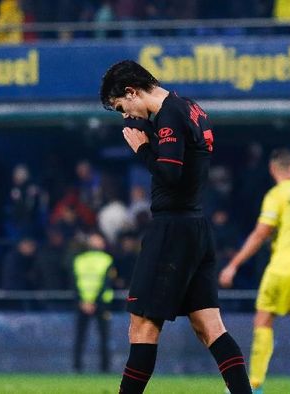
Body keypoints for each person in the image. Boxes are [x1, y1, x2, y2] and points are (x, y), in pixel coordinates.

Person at [100, 60, 251, 394]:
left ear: (131, 92)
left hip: (172, 230)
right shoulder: (191, 109)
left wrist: (141, 149)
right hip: (196, 227)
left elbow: (171, 173)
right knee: (210, 327)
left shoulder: (170, 114)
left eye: (122, 108)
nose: (126, 116)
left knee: (141, 326)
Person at [219, 148, 290, 394]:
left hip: (283, 265)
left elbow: (260, 233)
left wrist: (234, 265)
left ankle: (254, 384)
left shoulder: (277, 194)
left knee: (264, 319)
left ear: (273, 169)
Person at [72, 232, 114, 373]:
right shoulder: (106, 260)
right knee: (95, 336)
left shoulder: (80, 259)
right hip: (95, 303)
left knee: (89, 337)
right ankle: (84, 367)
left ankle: (99, 368)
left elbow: (75, 283)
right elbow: (106, 283)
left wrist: (85, 302)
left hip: (90, 303)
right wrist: (89, 302)